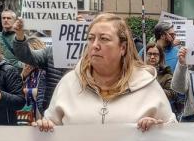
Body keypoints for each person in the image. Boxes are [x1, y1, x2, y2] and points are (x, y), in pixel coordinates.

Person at [35, 13, 176, 131]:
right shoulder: (69, 83)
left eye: (104, 39)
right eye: (91, 38)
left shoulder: (147, 86)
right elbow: (51, 131)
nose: (95, 45)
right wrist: (45, 126)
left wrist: (157, 130)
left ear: (123, 47)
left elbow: (173, 137)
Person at [11, 18, 66, 116]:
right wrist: (19, 35)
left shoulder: (86, 53)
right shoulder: (49, 52)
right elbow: (25, 56)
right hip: (50, 109)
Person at [146, 42, 182, 115]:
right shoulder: (138, 73)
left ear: (160, 57)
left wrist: (155, 89)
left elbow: (173, 93)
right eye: (149, 54)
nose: (152, 57)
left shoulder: (166, 74)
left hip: (160, 112)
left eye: (155, 54)